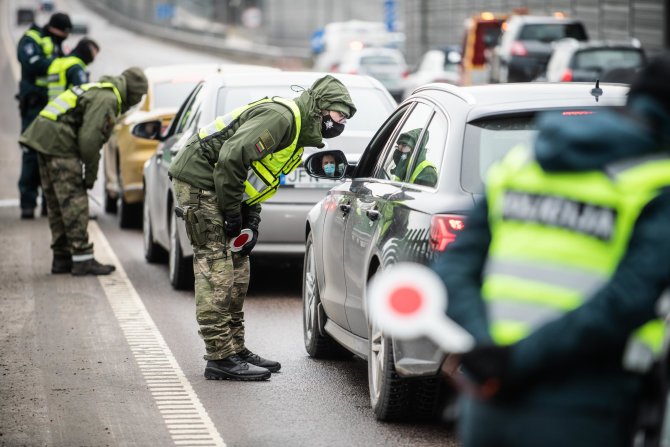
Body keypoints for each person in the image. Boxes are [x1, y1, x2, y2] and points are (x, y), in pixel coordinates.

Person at [433, 54, 670, 447]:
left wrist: (486, 348)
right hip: (584, 401)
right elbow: (627, 301)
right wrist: (517, 360)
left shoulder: (524, 161)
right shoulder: (655, 181)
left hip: (489, 397)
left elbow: (455, 267)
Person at [168, 75, 356, 381]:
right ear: (321, 107)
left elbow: (257, 178)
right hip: (200, 182)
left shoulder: (296, 134)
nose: (340, 124)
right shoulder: (281, 118)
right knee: (216, 267)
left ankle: (235, 348)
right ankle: (219, 357)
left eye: (345, 119)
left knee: (239, 267)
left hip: (224, 187)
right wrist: (231, 212)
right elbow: (231, 158)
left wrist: (250, 219)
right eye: (339, 115)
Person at [19, 68, 148, 276]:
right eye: (139, 96)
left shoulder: (98, 89)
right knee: (74, 202)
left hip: (43, 140)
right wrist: (90, 176)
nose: (136, 101)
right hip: (58, 143)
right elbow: (89, 142)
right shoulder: (108, 99)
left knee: (57, 203)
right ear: (132, 91)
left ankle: (61, 258)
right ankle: (82, 259)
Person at [16, 12, 72, 219]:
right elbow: (33, 64)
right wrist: (59, 64)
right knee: (31, 153)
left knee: (52, 155)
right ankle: (27, 203)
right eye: (63, 33)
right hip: (33, 107)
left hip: (54, 108)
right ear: (55, 28)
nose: (64, 37)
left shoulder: (57, 44)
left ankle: (49, 203)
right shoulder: (31, 40)